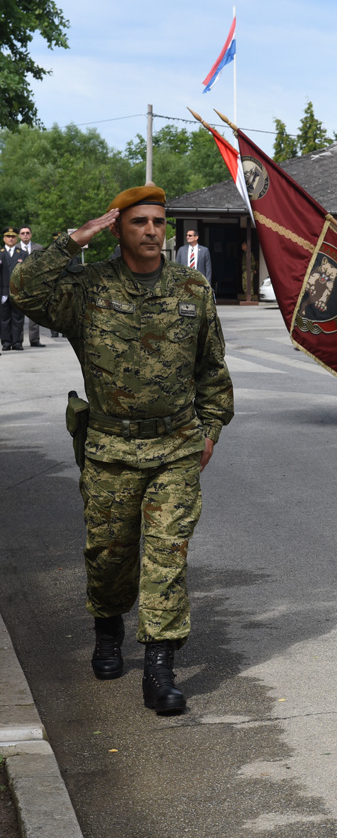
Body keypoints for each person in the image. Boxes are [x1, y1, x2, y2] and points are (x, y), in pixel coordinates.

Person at [11, 185, 234, 715]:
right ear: (118, 229)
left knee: (166, 555)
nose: (153, 231)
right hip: (109, 446)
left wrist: (210, 429)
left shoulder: (192, 287)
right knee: (109, 556)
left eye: (159, 222)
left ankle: (160, 666)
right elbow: (23, 292)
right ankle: (107, 627)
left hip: (176, 446)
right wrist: (70, 242)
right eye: (140, 223)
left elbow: (213, 369)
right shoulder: (87, 290)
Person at [1, 227, 30, 350]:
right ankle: (6, 342)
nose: (11, 238)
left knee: (18, 318)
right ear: (4, 238)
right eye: (8, 236)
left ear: (16, 238)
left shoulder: (22, 253)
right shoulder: (1, 253)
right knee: (4, 319)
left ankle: (17, 342)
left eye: (13, 236)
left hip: (17, 291)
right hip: (2, 291)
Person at [17, 226, 45, 345]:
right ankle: (17, 340)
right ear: (19, 235)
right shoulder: (14, 248)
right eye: (22, 233)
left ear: (31, 235)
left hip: (34, 284)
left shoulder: (38, 248)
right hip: (18, 285)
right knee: (17, 314)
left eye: (27, 233)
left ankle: (34, 340)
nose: (25, 235)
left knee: (34, 313)